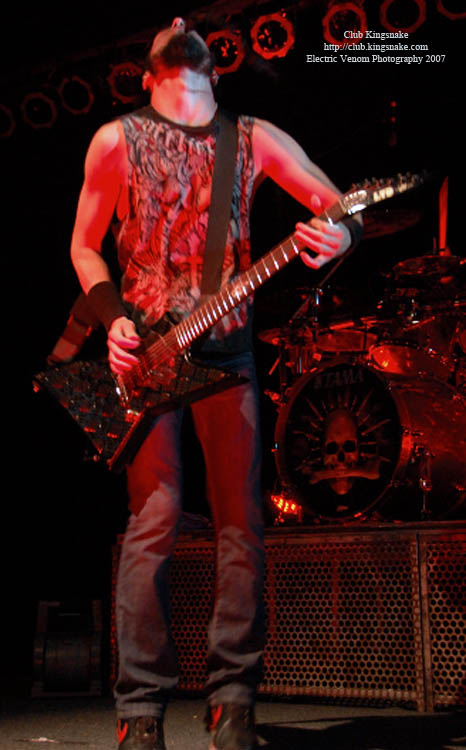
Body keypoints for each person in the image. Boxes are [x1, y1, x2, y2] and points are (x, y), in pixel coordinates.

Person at [70, 17, 362, 750]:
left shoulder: (253, 137)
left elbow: (338, 207)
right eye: (166, 26)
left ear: (216, 71)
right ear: (146, 75)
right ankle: (140, 710)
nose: (178, 23)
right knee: (155, 520)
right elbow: (83, 246)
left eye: (188, 23)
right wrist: (112, 319)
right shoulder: (114, 139)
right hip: (148, 358)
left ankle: (233, 704)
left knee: (241, 523)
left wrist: (341, 234)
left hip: (228, 354)